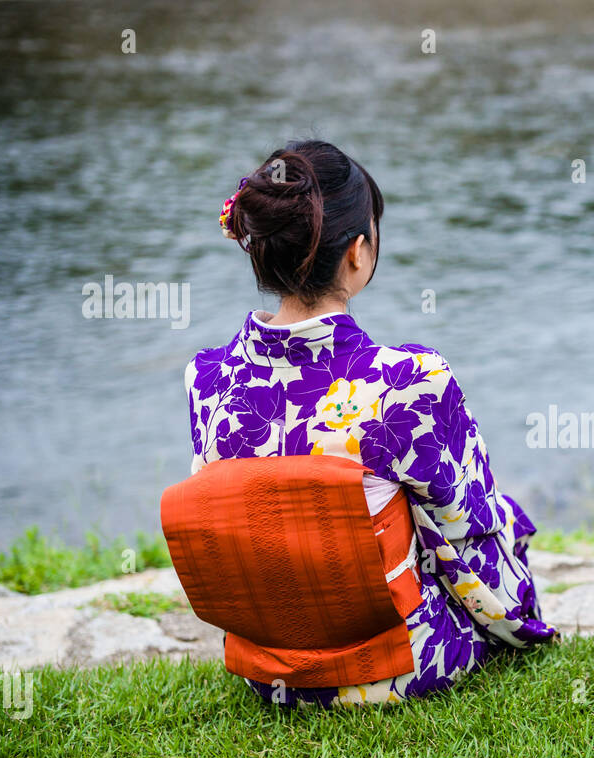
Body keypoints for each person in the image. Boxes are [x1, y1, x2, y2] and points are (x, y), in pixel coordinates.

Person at [187, 139, 554, 707]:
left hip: (269, 671)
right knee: (487, 511)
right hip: (399, 667)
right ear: (357, 251)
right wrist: (522, 625)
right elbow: (467, 534)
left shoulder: (207, 379)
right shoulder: (407, 383)